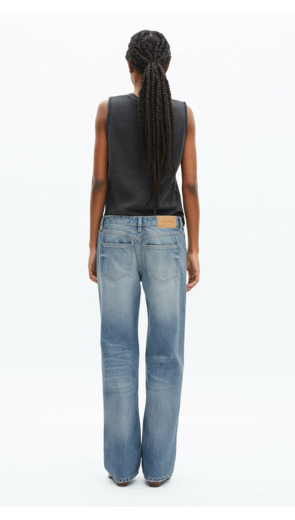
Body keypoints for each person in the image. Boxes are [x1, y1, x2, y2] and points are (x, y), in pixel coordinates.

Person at [88, 30, 200, 487]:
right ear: (167, 68)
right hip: (168, 233)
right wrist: (194, 248)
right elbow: (189, 186)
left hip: (115, 231)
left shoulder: (107, 111)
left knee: (117, 351)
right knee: (166, 354)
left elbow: (99, 182)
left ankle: (120, 469)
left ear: (129, 66)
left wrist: (93, 243)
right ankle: (158, 470)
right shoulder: (183, 114)